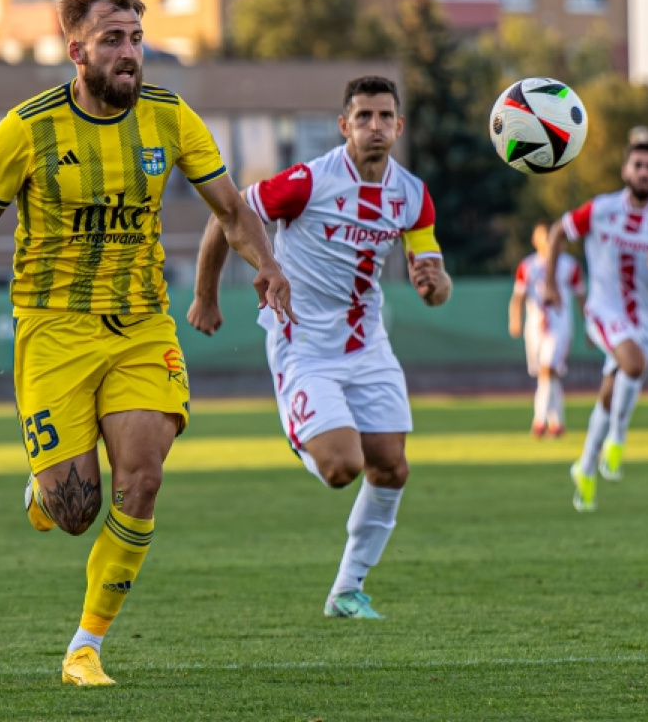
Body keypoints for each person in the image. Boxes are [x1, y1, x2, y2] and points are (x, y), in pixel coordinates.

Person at [0, 0, 294, 686]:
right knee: (73, 509)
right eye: (112, 41)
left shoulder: (170, 115)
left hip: (140, 323)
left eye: (136, 39)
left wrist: (268, 264)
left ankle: (85, 647)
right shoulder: (27, 128)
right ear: (76, 51)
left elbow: (230, 207)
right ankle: (44, 487)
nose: (130, 53)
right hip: (54, 328)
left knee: (143, 480)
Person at [187, 76, 452, 619]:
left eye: (384, 117)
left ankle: (347, 590)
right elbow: (229, 215)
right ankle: (302, 431)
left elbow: (435, 281)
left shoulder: (413, 195)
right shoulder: (309, 181)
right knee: (341, 468)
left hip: (368, 345)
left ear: (399, 127)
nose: (374, 126)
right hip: (303, 342)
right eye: (363, 117)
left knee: (392, 469)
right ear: (344, 126)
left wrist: (434, 285)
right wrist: (205, 296)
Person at [545, 140, 648, 512]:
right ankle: (617, 438)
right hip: (603, 308)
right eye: (638, 165)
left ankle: (584, 468)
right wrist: (550, 283)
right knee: (633, 364)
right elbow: (557, 233)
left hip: (647, 320)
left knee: (610, 393)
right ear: (626, 171)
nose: (644, 172)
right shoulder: (600, 209)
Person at [508, 220, 586, 437]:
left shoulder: (570, 265)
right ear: (535, 240)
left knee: (547, 369)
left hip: (560, 325)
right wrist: (515, 319)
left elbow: (581, 297)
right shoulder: (528, 266)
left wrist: (589, 325)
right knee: (548, 375)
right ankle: (557, 423)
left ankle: (539, 421)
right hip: (534, 327)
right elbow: (518, 297)